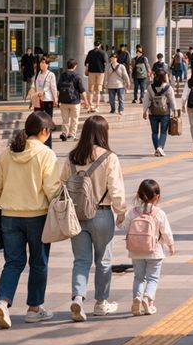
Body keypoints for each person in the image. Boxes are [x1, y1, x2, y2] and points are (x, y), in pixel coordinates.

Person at [0, 111, 59, 329]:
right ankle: (34, 309)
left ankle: (2, 302)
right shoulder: (46, 154)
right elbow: (51, 188)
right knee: (38, 262)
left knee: (13, 262)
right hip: (37, 216)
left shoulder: (7, 153)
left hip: (9, 216)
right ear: (44, 131)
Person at [63, 116, 127, 323]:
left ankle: (78, 299)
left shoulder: (72, 157)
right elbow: (116, 189)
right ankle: (101, 303)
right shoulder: (109, 157)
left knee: (81, 260)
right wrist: (121, 212)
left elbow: (61, 185)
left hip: (76, 215)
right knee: (104, 261)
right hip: (102, 213)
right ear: (103, 133)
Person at [124, 178, 175, 316]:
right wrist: (170, 245)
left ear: (138, 195)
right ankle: (148, 299)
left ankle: (137, 298)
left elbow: (124, 226)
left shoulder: (133, 212)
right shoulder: (159, 213)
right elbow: (166, 232)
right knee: (152, 278)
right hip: (154, 251)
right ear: (157, 196)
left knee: (139, 277)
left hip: (136, 251)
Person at [142, 69, 177, 157]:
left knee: (154, 132)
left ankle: (157, 149)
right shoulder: (168, 88)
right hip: (165, 113)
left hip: (152, 112)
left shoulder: (150, 87)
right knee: (163, 132)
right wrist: (175, 111)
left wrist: (144, 111)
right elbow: (172, 100)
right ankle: (160, 147)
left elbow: (146, 100)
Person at [30, 57, 58, 147]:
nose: (42, 64)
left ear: (48, 65)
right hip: (38, 100)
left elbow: (53, 88)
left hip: (47, 100)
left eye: (44, 63)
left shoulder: (51, 74)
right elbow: (35, 87)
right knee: (38, 122)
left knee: (47, 122)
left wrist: (55, 99)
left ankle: (48, 145)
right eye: (41, 62)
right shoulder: (38, 74)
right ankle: (40, 143)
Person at [57, 60, 87, 142]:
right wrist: (86, 102)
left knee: (65, 119)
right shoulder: (77, 76)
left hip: (63, 101)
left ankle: (64, 133)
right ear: (75, 66)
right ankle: (72, 135)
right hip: (75, 102)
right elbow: (82, 90)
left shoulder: (62, 75)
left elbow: (58, 88)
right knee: (74, 119)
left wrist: (57, 100)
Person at [85, 41, 107, 112]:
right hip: (100, 73)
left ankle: (91, 105)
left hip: (91, 72)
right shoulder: (102, 52)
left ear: (94, 45)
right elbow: (105, 62)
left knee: (91, 90)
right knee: (98, 91)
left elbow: (86, 63)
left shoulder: (90, 52)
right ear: (100, 45)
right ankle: (97, 106)